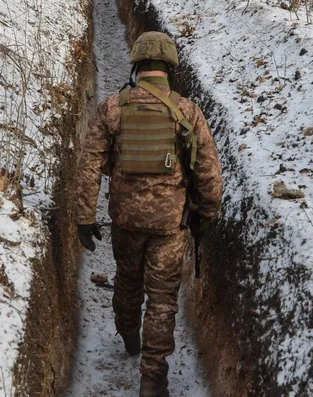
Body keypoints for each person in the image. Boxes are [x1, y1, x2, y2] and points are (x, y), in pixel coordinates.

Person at [74, 31, 224, 397]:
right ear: (169, 67)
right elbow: (209, 172)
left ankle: (129, 335)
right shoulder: (188, 112)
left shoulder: (112, 108)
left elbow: (89, 166)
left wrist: (84, 217)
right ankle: (152, 378)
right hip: (169, 226)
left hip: (126, 221)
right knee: (162, 299)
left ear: (137, 65)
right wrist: (206, 215)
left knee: (127, 282)